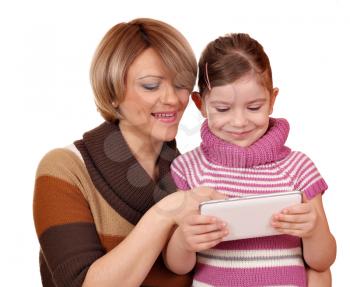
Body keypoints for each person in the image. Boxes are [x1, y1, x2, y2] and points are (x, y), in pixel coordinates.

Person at [32, 18, 225, 287]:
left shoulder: (194, 175)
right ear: (112, 93)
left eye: (181, 84)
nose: (172, 98)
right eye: (151, 85)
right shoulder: (66, 169)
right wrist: (164, 213)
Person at [163, 33, 336, 286]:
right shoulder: (188, 169)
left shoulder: (298, 168)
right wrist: (183, 241)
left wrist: (313, 231)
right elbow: (178, 266)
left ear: (272, 100)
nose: (239, 122)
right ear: (200, 104)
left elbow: (322, 261)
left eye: (254, 107)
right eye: (222, 109)